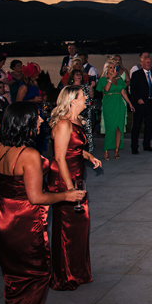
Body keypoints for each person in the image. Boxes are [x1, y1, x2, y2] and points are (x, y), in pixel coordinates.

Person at [0, 102, 85, 304]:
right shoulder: (28, 155)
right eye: (38, 118)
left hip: (1, 214)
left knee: (14, 279)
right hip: (22, 221)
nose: (42, 122)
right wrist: (66, 195)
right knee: (36, 277)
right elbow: (36, 197)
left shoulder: (0, 147)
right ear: (25, 123)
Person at [47, 86, 102, 291]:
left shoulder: (77, 121)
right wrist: (69, 190)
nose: (86, 98)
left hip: (77, 177)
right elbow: (60, 157)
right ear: (72, 101)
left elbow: (76, 149)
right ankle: (64, 275)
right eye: (82, 96)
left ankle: (78, 271)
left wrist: (89, 157)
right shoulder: (63, 124)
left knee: (80, 225)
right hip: (64, 180)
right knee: (66, 228)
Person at [97, 58, 131, 159]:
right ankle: (105, 150)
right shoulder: (103, 80)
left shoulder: (120, 79)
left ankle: (116, 150)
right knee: (110, 128)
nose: (112, 69)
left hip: (119, 104)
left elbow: (123, 92)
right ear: (107, 69)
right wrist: (110, 79)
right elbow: (106, 89)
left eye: (113, 67)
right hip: (109, 104)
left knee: (118, 128)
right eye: (110, 68)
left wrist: (129, 103)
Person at [130, 56, 152, 154]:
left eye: (150, 62)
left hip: (150, 103)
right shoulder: (136, 75)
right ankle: (134, 147)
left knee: (149, 125)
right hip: (140, 104)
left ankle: (147, 145)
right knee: (137, 126)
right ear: (142, 64)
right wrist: (138, 99)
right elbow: (133, 90)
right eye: (147, 62)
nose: (149, 64)